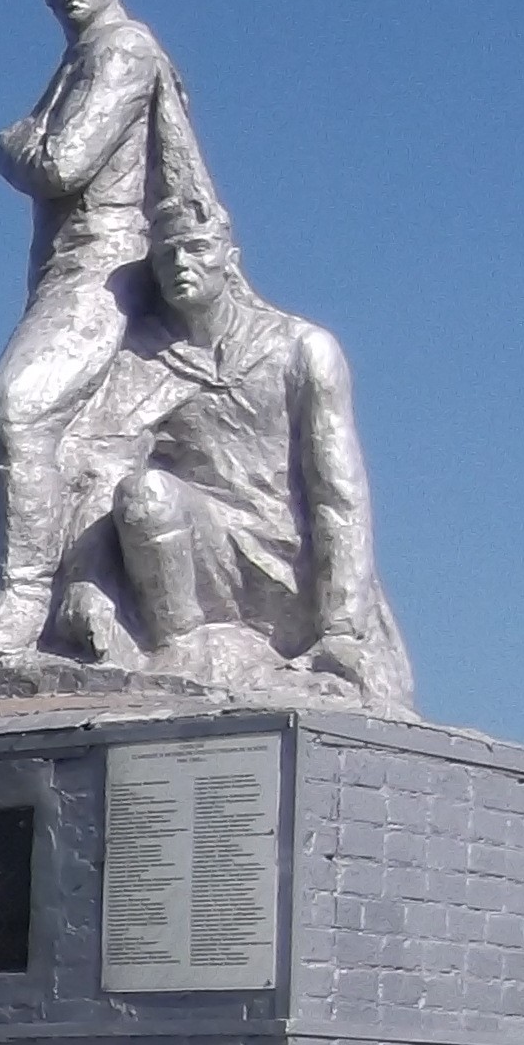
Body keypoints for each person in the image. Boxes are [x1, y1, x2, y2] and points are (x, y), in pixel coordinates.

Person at [0, 0, 217, 666]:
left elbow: (61, 164)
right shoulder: (80, 57)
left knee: (17, 408)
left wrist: (13, 144)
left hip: (109, 268)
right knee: (55, 433)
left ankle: (23, 596)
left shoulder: (124, 50)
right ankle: (72, 596)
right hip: (69, 267)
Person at [55, 197, 412, 705]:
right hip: (201, 555)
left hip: (289, 565)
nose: (182, 264)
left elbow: (339, 493)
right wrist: (85, 580)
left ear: (230, 257)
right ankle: (178, 657)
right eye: (167, 254)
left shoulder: (302, 348)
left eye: (198, 248)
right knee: (146, 494)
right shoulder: (140, 363)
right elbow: (100, 472)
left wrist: (341, 626)